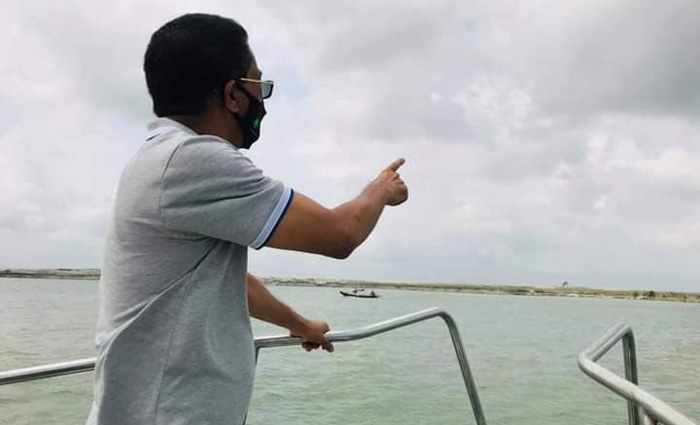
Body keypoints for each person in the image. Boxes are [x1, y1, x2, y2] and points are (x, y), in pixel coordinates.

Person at [86, 13, 408, 425]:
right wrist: (382, 189)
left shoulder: (162, 157)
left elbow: (225, 280)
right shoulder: (193, 159)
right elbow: (340, 234)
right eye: (259, 85)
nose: (262, 100)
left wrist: (299, 324)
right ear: (232, 96)